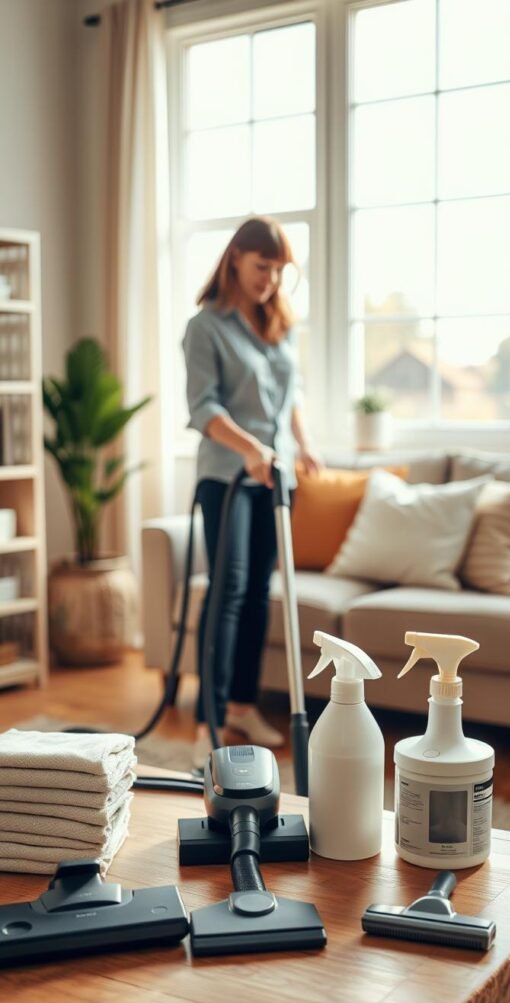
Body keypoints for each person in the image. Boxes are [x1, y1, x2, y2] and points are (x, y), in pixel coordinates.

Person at [182, 216, 321, 769]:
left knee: (260, 592)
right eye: (263, 267)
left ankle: (241, 706)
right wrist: (249, 449)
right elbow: (204, 408)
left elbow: (293, 395)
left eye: (280, 270)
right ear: (236, 257)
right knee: (229, 591)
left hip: (276, 473)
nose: (271, 280)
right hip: (228, 475)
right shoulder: (205, 327)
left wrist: (303, 445)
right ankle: (208, 721)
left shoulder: (278, 324)